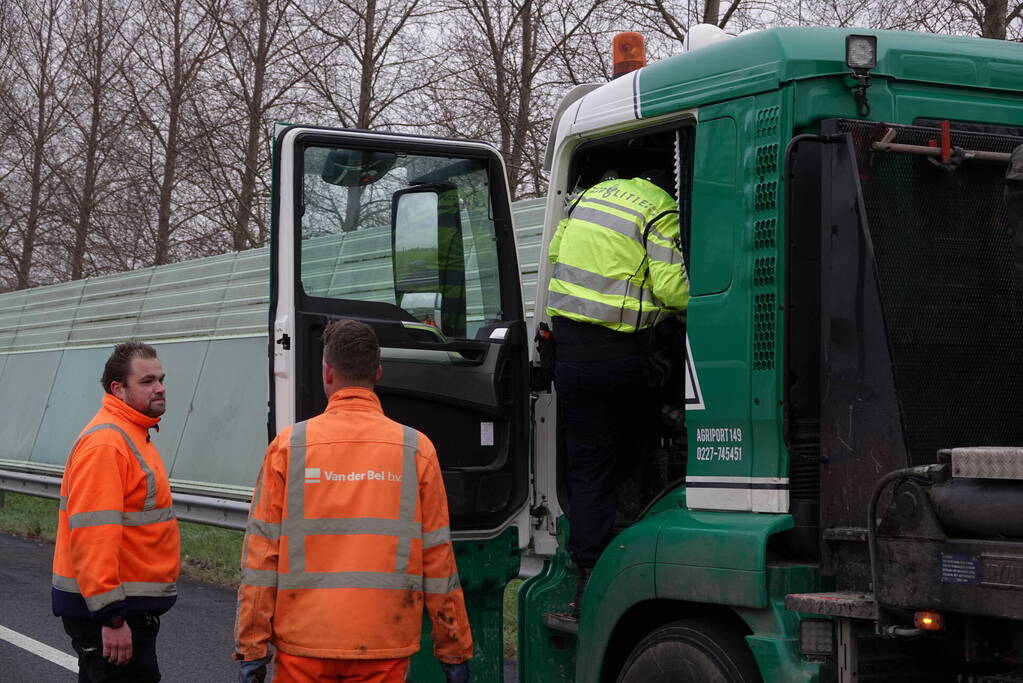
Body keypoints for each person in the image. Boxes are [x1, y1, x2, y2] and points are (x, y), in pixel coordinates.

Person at [234, 319, 473, 683]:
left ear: (327, 373)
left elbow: (261, 556)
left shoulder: (289, 447)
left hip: (304, 644)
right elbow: (438, 558)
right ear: (377, 372)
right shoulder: (415, 450)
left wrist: (251, 647)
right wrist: (453, 648)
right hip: (382, 643)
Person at [545, 171, 689, 615]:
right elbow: (673, 290)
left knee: (589, 468)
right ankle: (643, 513)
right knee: (648, 430)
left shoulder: (583, 198)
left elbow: (554, 256)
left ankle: (588, 576)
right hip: (623, 359)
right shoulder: (659, 206)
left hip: (569, 357)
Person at [52, 341, 180, 682]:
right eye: (148, 381)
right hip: (112, 614)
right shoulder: (108, 443)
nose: (160, 388)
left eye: (161, 379)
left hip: (125, 609)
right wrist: (111, 618)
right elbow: (94, 535)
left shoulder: (132, 434)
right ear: (118, 389)